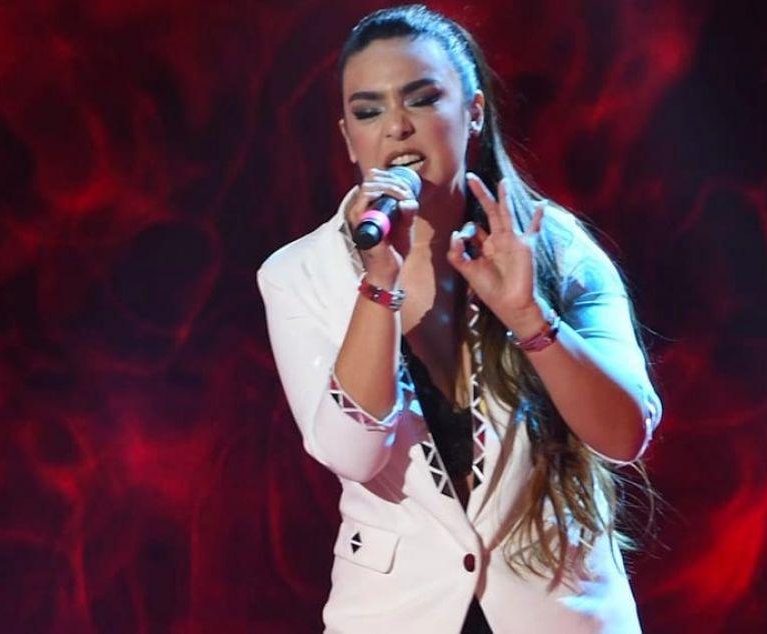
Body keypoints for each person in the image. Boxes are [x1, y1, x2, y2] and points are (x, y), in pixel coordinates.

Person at [257, 5, 662, 633]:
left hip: (559, 613)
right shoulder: (300, 274)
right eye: (368, 111)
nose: (397, 127)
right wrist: (379, 286)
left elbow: (623, 434)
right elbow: (352, 454)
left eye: (421, 100)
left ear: (473, 112)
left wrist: (529, 318)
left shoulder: (556, 248)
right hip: (393, 615)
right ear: (349, 137)